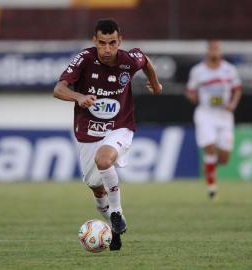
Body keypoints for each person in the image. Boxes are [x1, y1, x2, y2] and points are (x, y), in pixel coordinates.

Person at [53, 18, 162, 251]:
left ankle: (117, 214)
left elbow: (145, 60)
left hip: (120, 126)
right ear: (95, 41)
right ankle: (113, 229)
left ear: (120, 41)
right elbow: (59, 89)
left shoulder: (127, 61)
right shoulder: (84, 59)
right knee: (96, 187)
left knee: (103, 160)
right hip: (87, 132)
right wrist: (79, 97)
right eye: (102, 43)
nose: (107, 49)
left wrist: (156, 84)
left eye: (112, 43)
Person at [186, 40, 242, 200]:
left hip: (224, 115)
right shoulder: (198, 71)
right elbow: (190, 90)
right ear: (208, 51)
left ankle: (209, 166)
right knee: (210, 147)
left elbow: (237, 89)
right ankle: (212, 188)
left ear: (220, 51)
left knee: (224, 159)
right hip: (205, 114)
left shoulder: (229, 70)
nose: (214, 52)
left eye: (217, 49)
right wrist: (193, 97)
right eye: (212, 49)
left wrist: (232, 104)